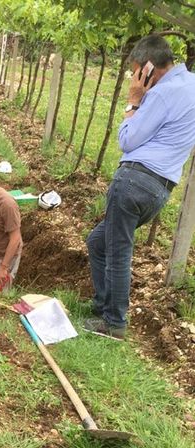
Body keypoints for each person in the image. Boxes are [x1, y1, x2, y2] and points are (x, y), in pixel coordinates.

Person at [84, 34, 195, 339]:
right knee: (98, 241)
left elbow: (128, 140)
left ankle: (114, 322)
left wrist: (134, 102)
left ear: (147, 69)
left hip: (134, 180)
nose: (135, 77)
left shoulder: (159, 94)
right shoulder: (192, 86)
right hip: (160, 189)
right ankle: (103, 304)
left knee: (118, 250)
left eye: (136, 71)